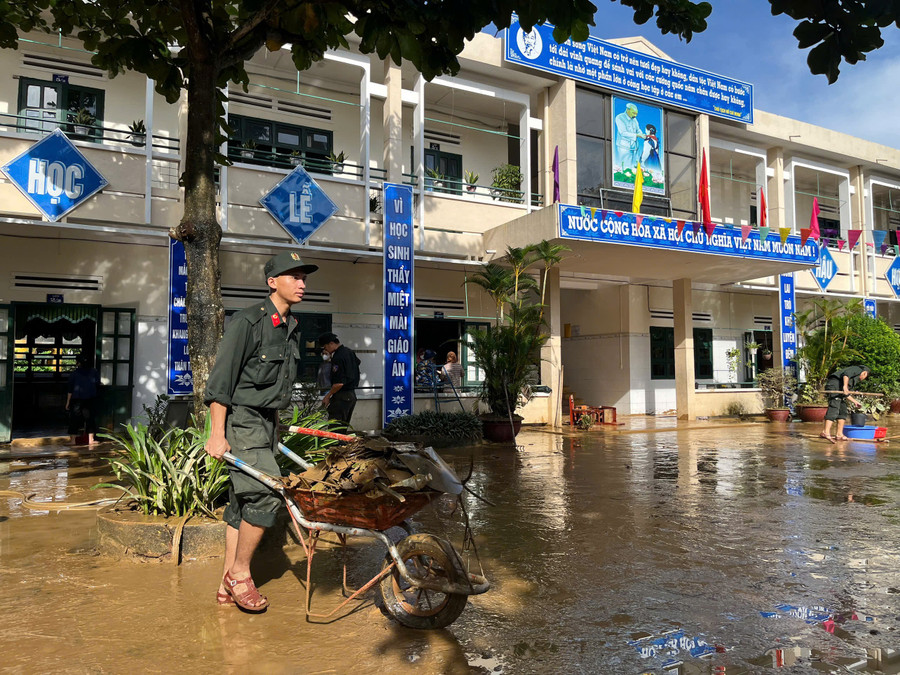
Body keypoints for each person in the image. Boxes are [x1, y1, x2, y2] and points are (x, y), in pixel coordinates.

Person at [204, 250, 318, 612]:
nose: (302, 284)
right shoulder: (248, 322)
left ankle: (226, 584)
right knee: (269, 493)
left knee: (243, 502)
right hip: (242, 419)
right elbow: (220, 384)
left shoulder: (292, 326)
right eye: (293, 277)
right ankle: (240, 574)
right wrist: (217, 434)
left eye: (304, 277)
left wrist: (276, 426)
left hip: (267, 423)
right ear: (273, 282)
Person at [318, 332, 361, 428]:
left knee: (335, 427)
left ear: (331, 344)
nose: (326, 350)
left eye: (325, 347)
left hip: (342, 396)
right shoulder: (349, 352)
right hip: (351, 395)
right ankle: (341, 442)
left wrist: (328, 396)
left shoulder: (338, 357)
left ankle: (336, 443)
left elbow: (339, 383)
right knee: (343, 426)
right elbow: (357, 363)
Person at [822, 365, 871, 441]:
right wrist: (845, 386)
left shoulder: (852, 380)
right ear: (864, 373)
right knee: (834, 408)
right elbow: (846, 374)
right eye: (865, 377)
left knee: (843, 411)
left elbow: (846, 393)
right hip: (834, 385)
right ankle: (825, 432)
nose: (863, 379)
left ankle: (839, 434)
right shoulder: (858, 369)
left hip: (840, 389)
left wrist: (855, 402)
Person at [66, 353, 100, 445]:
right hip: (90, 399)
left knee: (74, 419)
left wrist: (68, 402)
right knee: (90, 419)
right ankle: (91, 440)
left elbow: (70, 390)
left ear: (78, 363)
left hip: (77, 399)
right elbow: (97, 384)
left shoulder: (74, 374)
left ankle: (73, 440)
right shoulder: (94, 372)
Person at [614, 102, 645, 173]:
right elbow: (623, 133)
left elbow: (638, 129)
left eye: (636, 113)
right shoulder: (620, 117)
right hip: (624, 147)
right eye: (633, 113)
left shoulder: (634, 120)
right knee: (625, 167)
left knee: (633, 167)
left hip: (634, 147)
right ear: (628, 110)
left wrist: (641, 134)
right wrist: (637, 135)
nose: (635, 115)